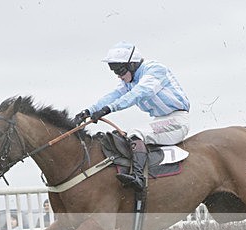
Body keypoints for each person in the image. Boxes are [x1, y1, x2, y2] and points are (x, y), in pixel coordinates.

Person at [74, 41, 190, 192]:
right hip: (161, 120)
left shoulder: (155, 70)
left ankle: (138, 178)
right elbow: (114, 95)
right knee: (128, 137)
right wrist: (88, 111)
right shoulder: (131, 79)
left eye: (120, 71)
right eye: (115, 72)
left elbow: (139, 93)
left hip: (178, 120)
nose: (119, 76)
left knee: (136, 133)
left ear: (132, 65)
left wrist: (109, 109)